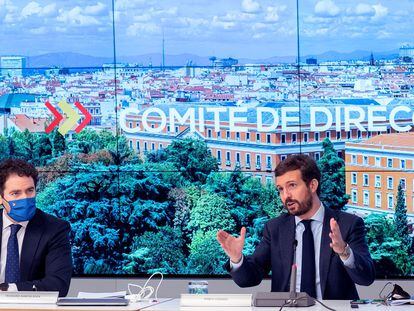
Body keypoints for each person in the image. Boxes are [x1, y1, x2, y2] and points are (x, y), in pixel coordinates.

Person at [217, 154, 375, 300]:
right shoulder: (275, 229)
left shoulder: (348, 224)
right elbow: (250, 279)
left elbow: (366, 278)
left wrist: (344, 251)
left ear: (312, 185)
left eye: (292, 185)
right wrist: (237, 259)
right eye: (280, 189)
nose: (286, 196)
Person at [0, 158, 72, 296]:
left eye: (30, 190)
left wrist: (7, 289)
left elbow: (58, 285)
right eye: (16, 193)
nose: (25, 198)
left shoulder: (55, 229)